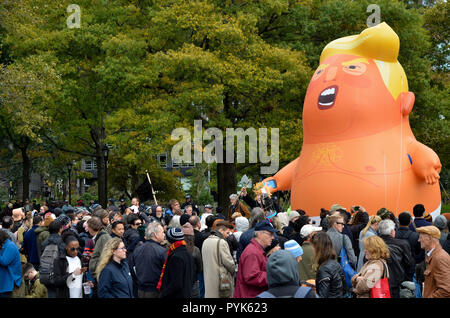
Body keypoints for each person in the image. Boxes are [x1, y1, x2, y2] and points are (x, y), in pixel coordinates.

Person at [234, 220, 276, 298]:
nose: (273, 237)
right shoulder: (252, 252)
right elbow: (252, 277)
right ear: (259, 234)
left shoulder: (256, 250)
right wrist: (274, 276)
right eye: (270, 234)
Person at [378, 219, 415, 298]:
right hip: (396, 283)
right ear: (392, 232)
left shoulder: (374, 243)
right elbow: (409, 264)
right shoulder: (402, 244)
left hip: (379, 283)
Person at [129, 222, 167, 298]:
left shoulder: (137, 250)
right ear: (156, 234)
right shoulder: (162, 251)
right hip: (156, 291)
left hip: (140, 290)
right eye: (162, 232)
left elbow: (132, 269)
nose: (164, 234)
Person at [158, 227, 196, 298]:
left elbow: (176, 283)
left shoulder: (176, 257)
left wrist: (163, 294)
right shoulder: (188, 254)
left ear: (170, 241)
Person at [202, 221, 235, 298]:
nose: (228, 235)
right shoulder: (221, 242)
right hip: (220, 281)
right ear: (221, 230)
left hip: (208, 280)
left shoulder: (205, 241)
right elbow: (229, 264)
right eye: (227, 233)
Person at [416, 226, 450, 298]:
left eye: (421, 237)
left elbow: (446, 290)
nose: (419, 240)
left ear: (430, 238)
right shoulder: (433, 255)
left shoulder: (439, 258)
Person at [310, 231, 345, 298]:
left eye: (313, 247)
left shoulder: (323, 270)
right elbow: (343, 287)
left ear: (318, 249)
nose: (312, 250)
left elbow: (323, 295)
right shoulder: (335, 264)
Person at [87, 217, 112, 286]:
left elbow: (106, 256)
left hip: (102, 275)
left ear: (91, 228)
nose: (87, 229)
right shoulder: (99, 237)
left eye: (88, 227)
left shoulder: (104, 238)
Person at [0, 230, 22, 298]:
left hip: (8, 283)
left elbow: (4, 261)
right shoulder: (6, 246)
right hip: (4, 282)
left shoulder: (10, 246)